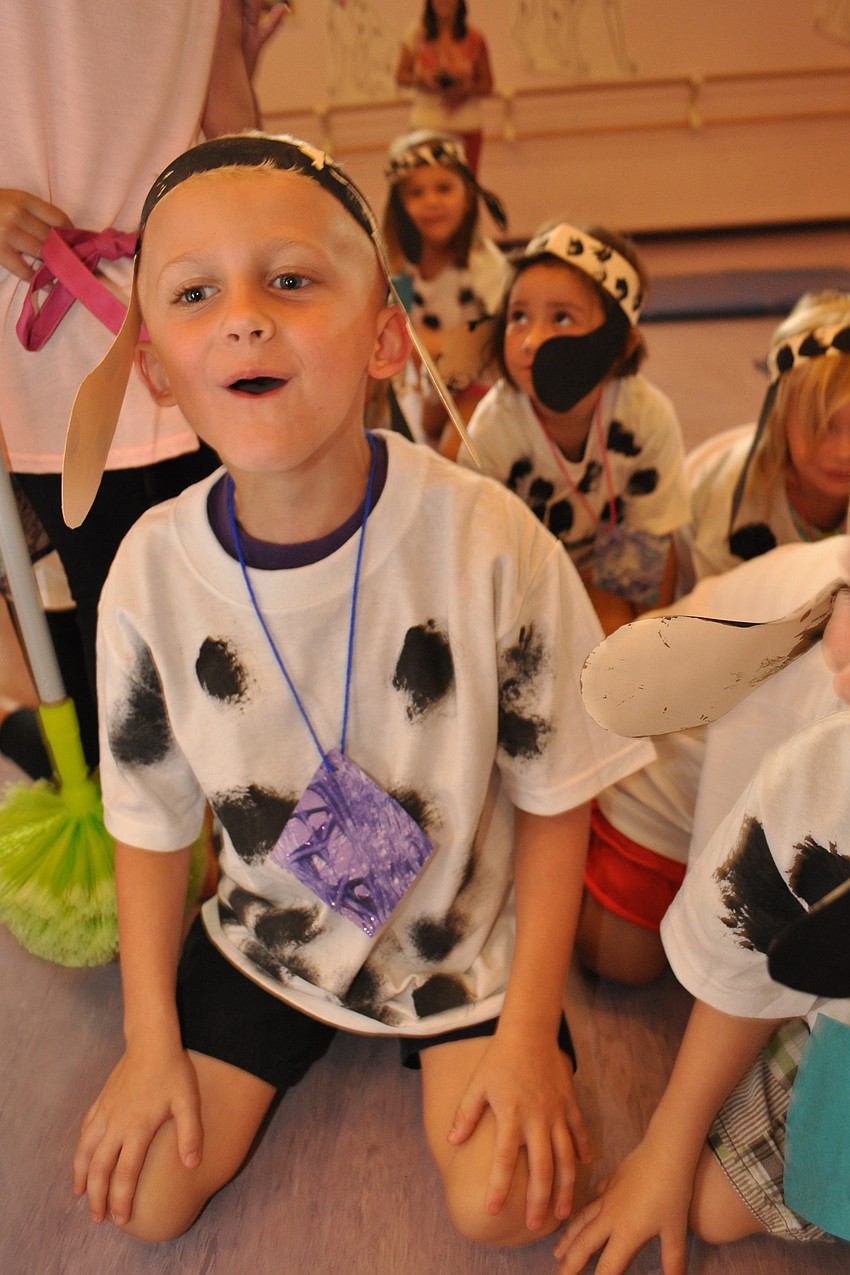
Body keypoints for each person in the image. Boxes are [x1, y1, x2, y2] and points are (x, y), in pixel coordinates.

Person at [69, 133, 654, 1246]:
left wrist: (531, 1030)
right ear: (154, 365)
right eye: (195, 294)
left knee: (505, 1206)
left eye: (290, 280)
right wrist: (149, 1041)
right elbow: (148, 827)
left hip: (457, 937)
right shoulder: (148, 573)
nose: (245, 316)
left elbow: (557, 791)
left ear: (386, 333)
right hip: (266, 933)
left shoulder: (490, 546)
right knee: (144, 1203)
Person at [0, 0, 285, 765]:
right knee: (129, 636)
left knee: (241, 615)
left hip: (197, 305)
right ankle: (158, 859)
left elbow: (232, 128)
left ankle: (238, 852)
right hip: (54, 317)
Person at [555, 546, 850, 1273]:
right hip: (669, 768)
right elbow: (754, 923)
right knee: (622, 953)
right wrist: (666, 1143)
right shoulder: (819, 737)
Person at [576, 533, 847, 986]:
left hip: (717, 758)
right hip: (652, 755)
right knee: (624, 964)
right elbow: (737, 844)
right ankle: (562, 817)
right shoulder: (818, 651)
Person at [459, 221, 689, 635]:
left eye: (562, 318)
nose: (531, 340)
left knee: (617, 637)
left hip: (610, 571)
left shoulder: (645, 417)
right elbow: (479, 568)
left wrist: (654, 640)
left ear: (621, 345)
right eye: (519, 317)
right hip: (524, 583)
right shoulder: (493, 432)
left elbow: (649, 555)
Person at [679, 290, 850, 588]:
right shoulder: (739, 492)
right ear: (779, 416)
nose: (844, 451)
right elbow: (714, 608)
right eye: (820, 425)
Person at [381, 128, 509, 454]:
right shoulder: (401, 266)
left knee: (453, 455)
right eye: (416, 193)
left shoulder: (484, 266)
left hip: (482, 382)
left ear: (466, 197)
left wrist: (436, 343)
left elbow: (498, 338)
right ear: (399, 206)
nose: (431, 202)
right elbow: (400, 322)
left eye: (443, 188)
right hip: (434, 382)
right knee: (419, 431)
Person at [395, 1, 493, 175]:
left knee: (464, 188)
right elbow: (401, 76)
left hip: (466, 125)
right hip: (427, 125)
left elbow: (487, 84)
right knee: (428, 181)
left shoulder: (475, 38)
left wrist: (465, 87)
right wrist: (423, 79)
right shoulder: (416, 35)